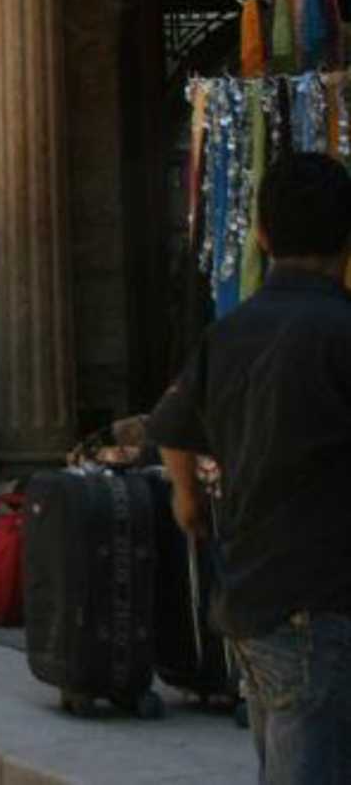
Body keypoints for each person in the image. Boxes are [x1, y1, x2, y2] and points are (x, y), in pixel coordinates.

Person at [148, 151, 351, 782]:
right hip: (320, 603)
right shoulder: (341, 331)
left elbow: (170, 426)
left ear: (261, 234)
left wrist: (187, 499)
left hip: (249, 598)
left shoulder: (231, 332)